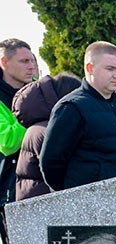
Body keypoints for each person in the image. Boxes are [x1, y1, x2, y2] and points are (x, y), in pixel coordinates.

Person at [39, 41, 116, 192]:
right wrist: (77, 197)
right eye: (110, 69)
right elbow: (51, 164)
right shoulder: (71, 108)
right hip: (90, 206)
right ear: (90, 68)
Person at [1, 39, 38, 244]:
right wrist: (38, 127)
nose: (31, 66)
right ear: (4, 62)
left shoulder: (40, 91)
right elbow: (7, 142)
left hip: (42, 188)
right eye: (24, 61)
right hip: (8, 192)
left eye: (33, 60)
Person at [12, 73, 81, 201]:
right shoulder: (47, 131)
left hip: (39, 205)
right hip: (45, 209)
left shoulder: (41, 128)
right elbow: (67, 173)